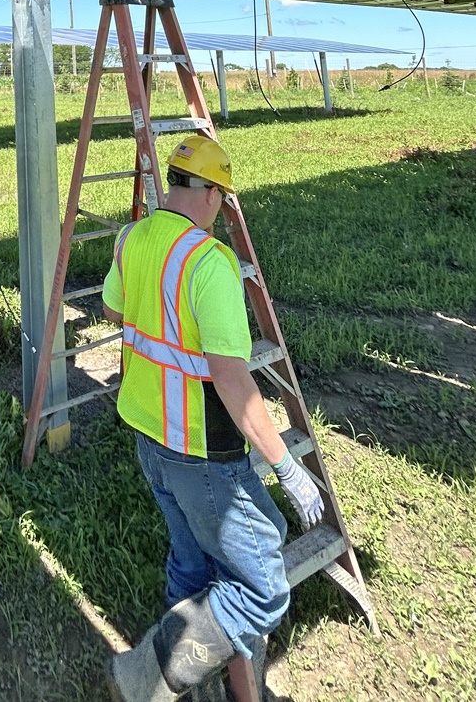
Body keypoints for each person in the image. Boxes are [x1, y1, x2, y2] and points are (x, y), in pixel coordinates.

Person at [103, 134, 324, 702]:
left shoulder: (132, 238)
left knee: (192, 564)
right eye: (222, 199)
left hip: (149, 438)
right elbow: (232, 381)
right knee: (262, 588)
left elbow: (112, 308)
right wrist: (287, 468)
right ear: (208, 193)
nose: (221, 209)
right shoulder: (209, 262)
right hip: (201, 451)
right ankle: (144, 677)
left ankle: (192, 690)